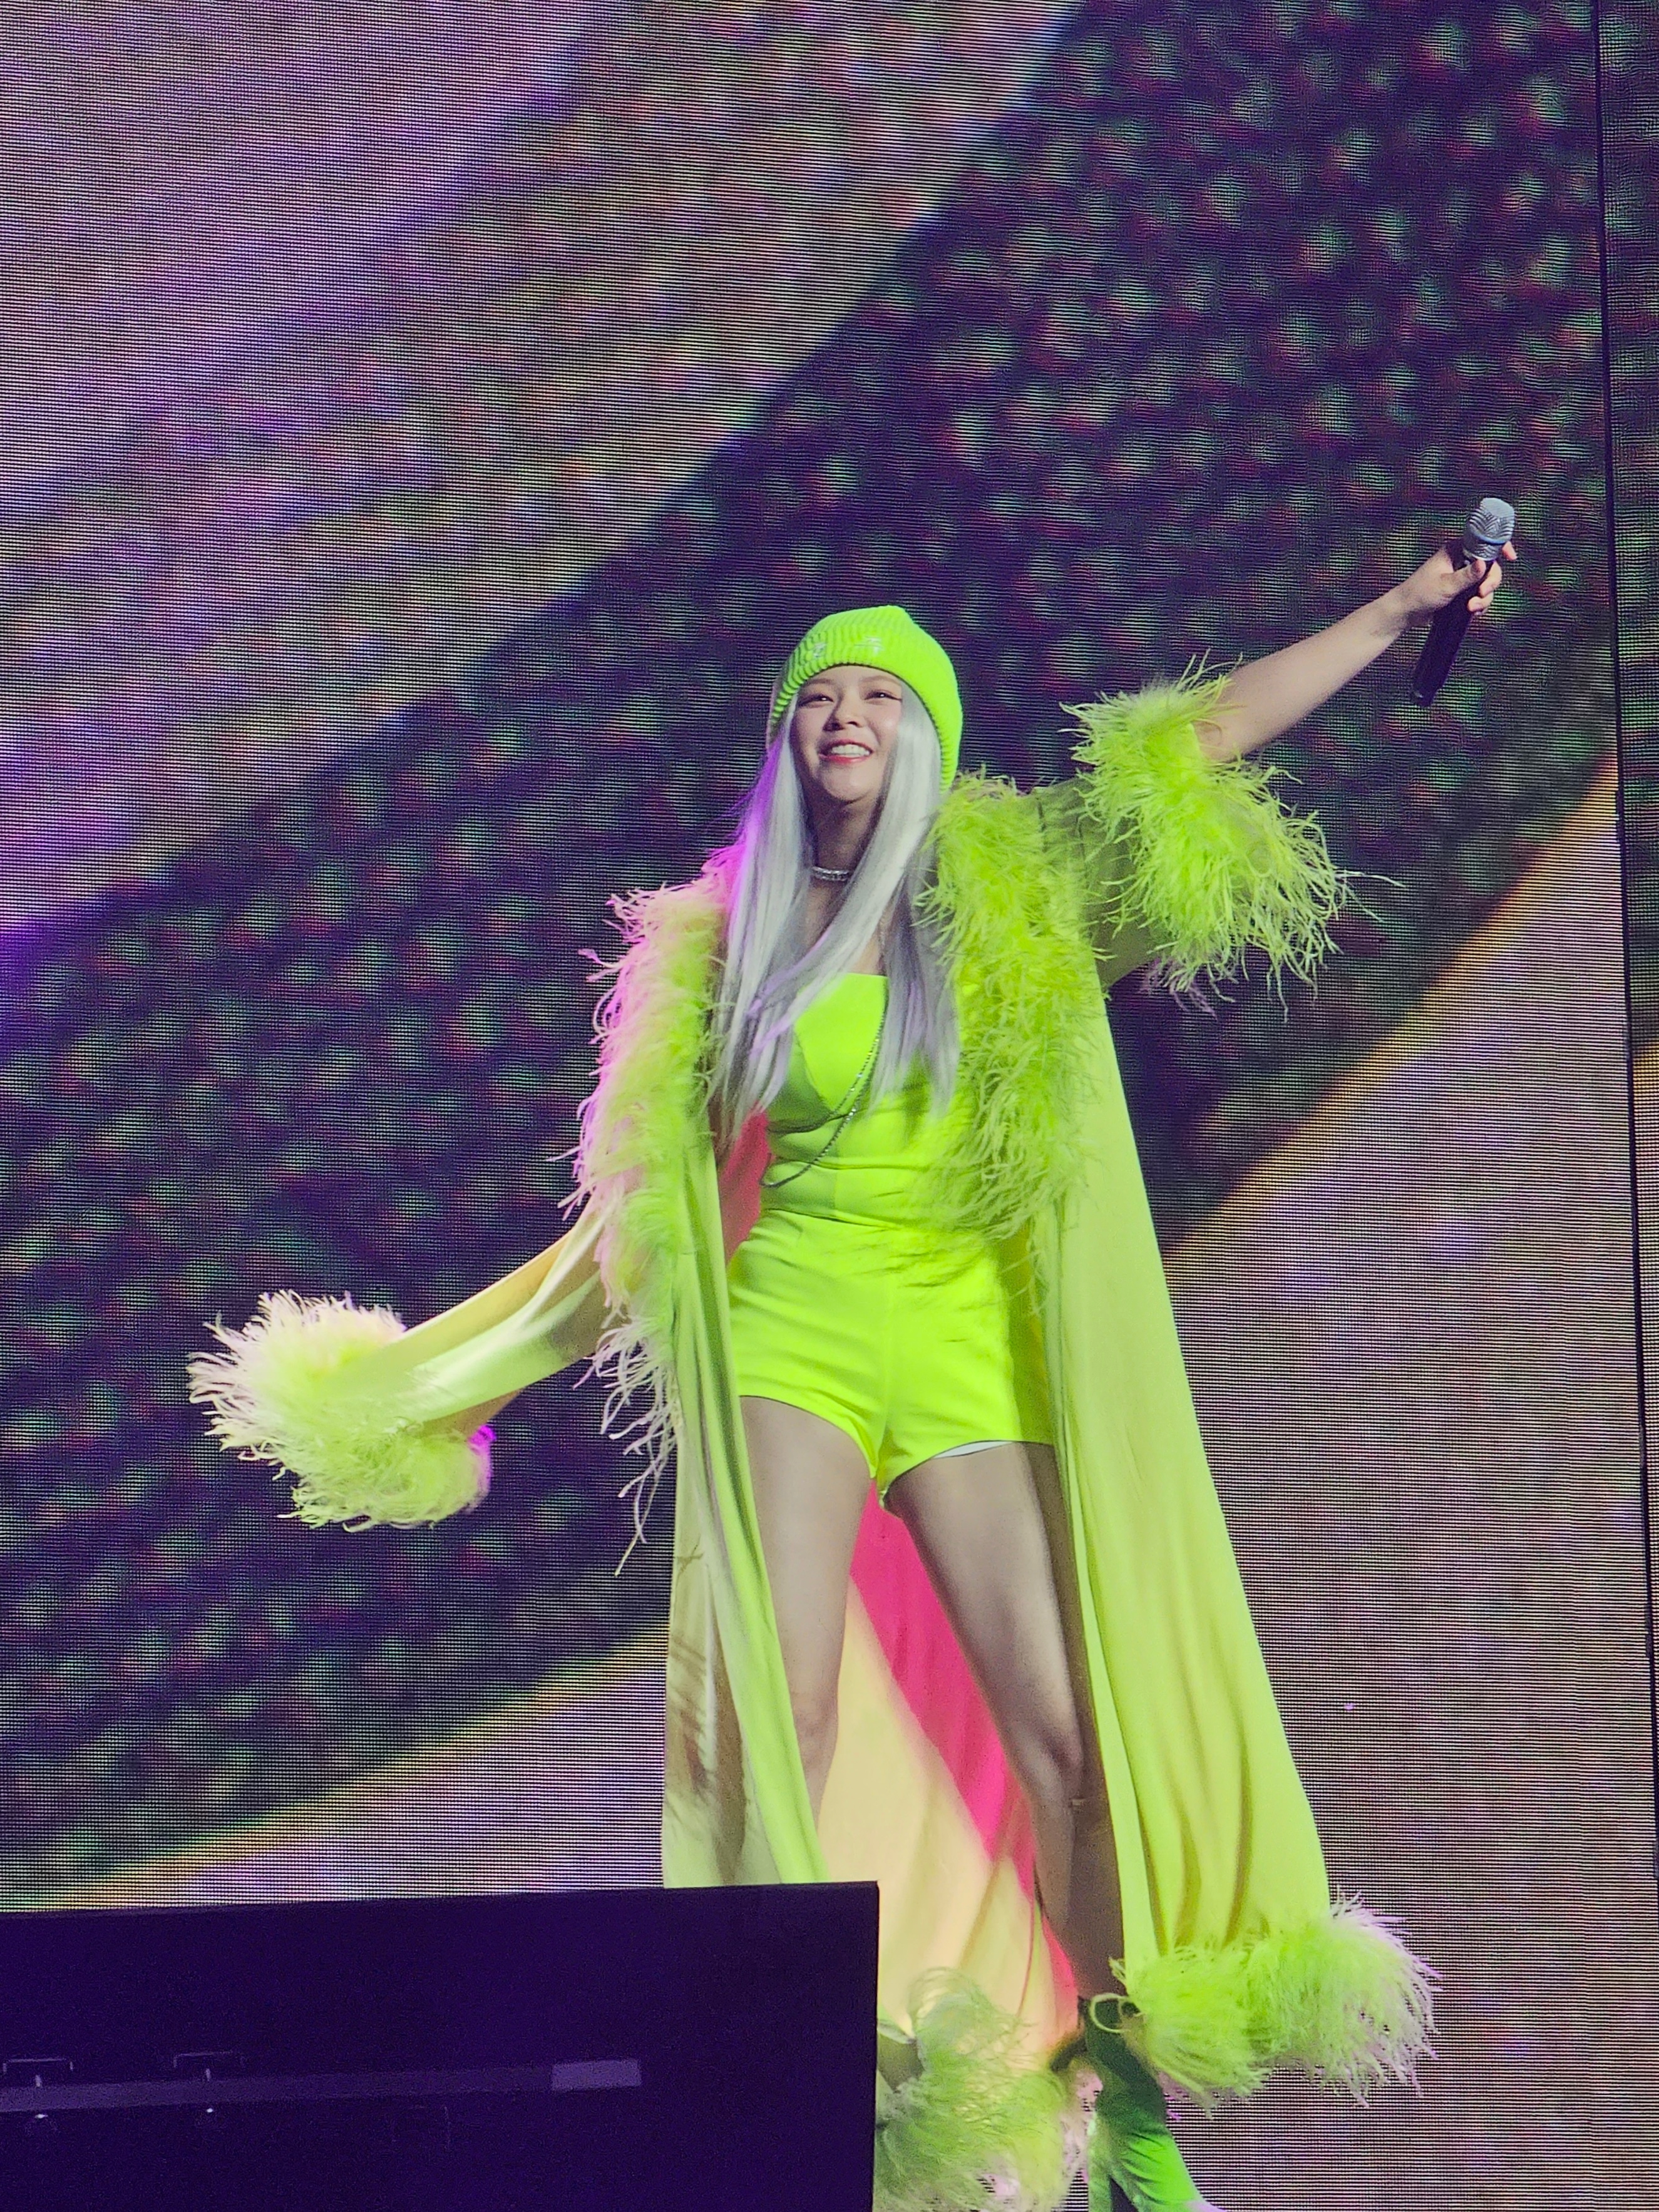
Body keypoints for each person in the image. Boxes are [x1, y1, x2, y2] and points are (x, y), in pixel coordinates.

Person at [189, 537, 1513, 2212]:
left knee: (1068, 1740)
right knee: (784, 1707)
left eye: (883, 696)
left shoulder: (1002, 885)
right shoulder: (725, 942)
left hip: (959, 1339)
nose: (848, 716)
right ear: (786, 736)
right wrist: (439, 1380)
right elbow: (643, 1215)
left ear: (927, 737)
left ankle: (1122, 2096)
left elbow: (1197, 742)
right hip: (794, 1331)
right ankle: (798, 2078)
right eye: (823, 695)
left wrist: (1398, 611)